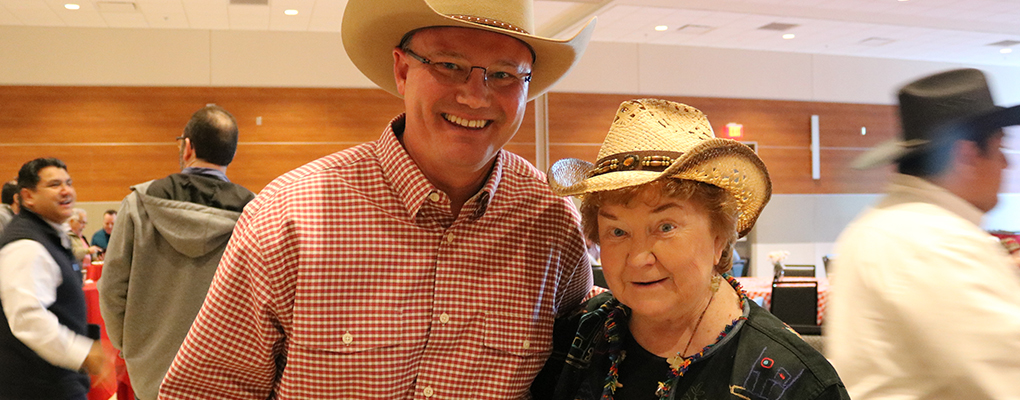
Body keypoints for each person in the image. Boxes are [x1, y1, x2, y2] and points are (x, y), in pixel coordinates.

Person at [159, 0, 597, 398]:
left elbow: (577, 366)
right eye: (449, 64)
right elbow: (208, 390)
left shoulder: (551, 224)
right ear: (402, 70)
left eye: (503, 74)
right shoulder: (288, 217)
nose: (474, 95)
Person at [535, 99, 849, 400]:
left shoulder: (793, 382)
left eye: (666, 227)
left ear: (719, 237)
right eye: (618, 231)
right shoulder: (576, 339)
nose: (639, 258)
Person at [826, 69, 1020, 399]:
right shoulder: (938, 241)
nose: (1007, 164)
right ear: (967, 155)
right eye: (1001, 147)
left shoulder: (884, 224)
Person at [97, 105, 256, 400]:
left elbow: (111, 288)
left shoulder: (138, 205)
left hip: (152, 369)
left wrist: (128, 346)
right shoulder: (254, 213)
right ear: (231, 154)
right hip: (229, 371)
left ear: (187, 147)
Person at [0, 158, 110, 400]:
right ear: (28, 197)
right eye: (54, 184)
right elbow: (27, 318)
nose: (66, 191)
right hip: (37, 386)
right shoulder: (26, 245)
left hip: (55, 381)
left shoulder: (47, 234)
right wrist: (81, 353)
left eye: (68, 183)